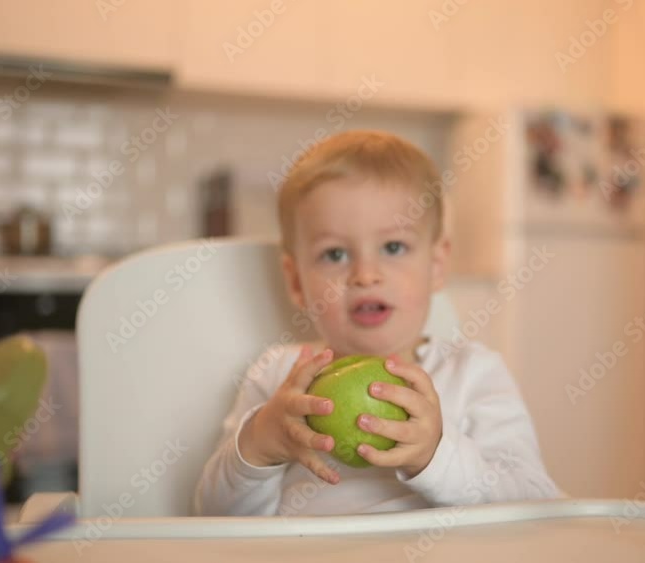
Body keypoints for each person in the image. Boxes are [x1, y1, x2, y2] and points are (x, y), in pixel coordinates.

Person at [193, 130, 564, 516]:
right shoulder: (278, 379)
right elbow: (214, 518)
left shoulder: (472, 374)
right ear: (297, 282)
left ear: (436, 266)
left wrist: (436, 455)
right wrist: (260, 445)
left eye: (393, 247)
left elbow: (534, 503)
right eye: (335, 254)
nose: (365, 275)